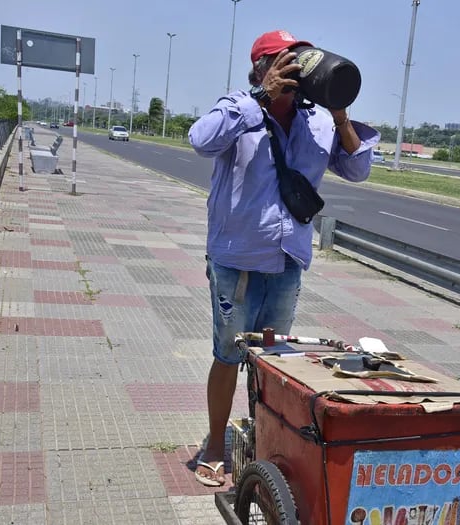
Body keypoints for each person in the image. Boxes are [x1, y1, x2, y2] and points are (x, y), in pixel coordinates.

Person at [188, 29, 380, 487]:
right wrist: (260, 97)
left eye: (301, 60)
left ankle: (268, 446)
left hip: (288, 260)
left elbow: (358, 168)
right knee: (229, 355)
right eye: (286, 60)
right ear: (262, 66)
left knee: (274, 360)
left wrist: (339, 113)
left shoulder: (318, 120)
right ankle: (215, 444)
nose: (298, 68)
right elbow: (200, 139)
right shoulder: (239, 106)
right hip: (238, 259)